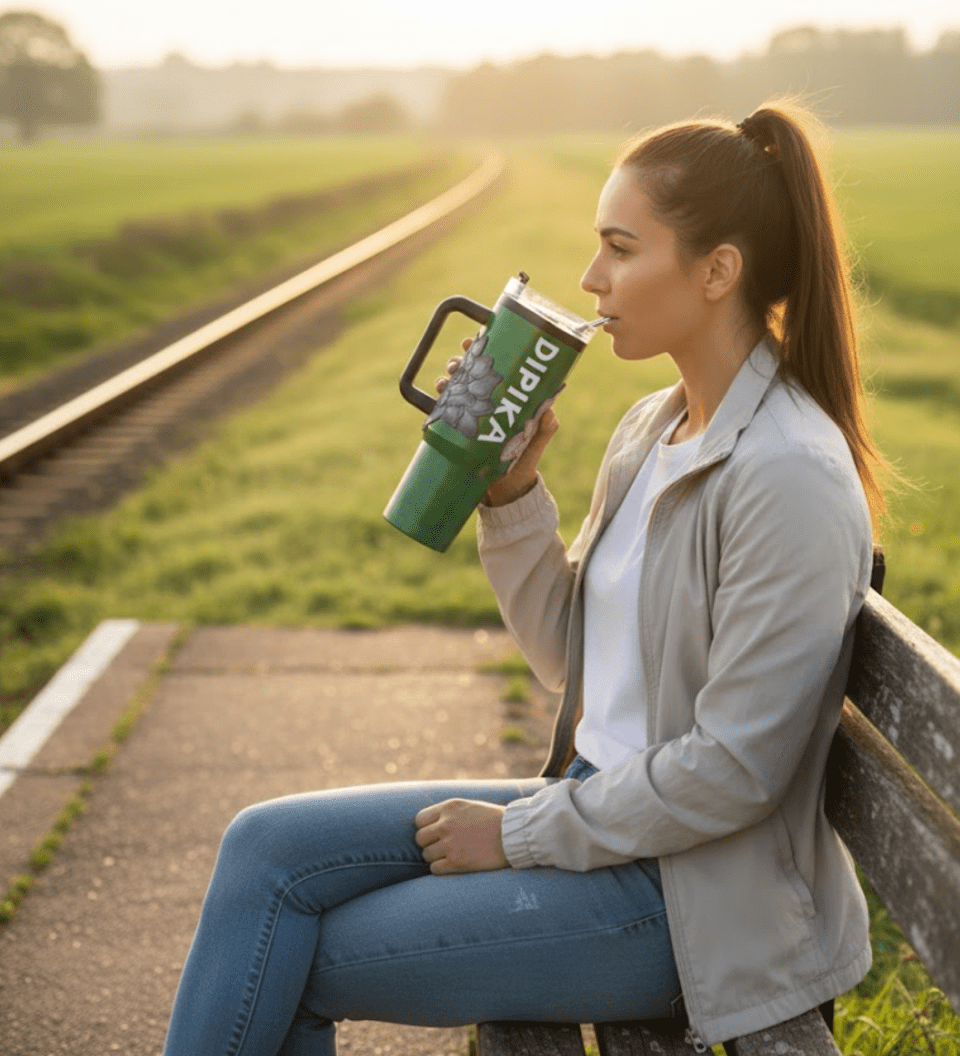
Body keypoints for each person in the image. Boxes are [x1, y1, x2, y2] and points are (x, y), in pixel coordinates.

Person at [163, 102, 889, 1055]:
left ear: (718, 271)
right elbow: (568, 655)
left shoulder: (785, 471)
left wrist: (517, 836)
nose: (591, 278)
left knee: (288, 954)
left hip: (687, 901)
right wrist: (509, 492)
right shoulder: (652, 429)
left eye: (621, 249)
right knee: (264, 850)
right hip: (601, 809)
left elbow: (736, 770)